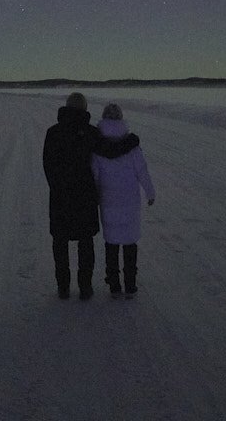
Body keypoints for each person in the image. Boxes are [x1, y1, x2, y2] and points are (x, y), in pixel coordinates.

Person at [43, 92, 138, 300]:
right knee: (85, 243)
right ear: (85, 109)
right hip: (84, 199)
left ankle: (63, 287)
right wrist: (131, 141)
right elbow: (111, 151)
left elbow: (48, 166)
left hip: (60, 198)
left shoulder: (53, 133)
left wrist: (57, 188)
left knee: (60, 243)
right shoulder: (90, 132)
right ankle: (85, 287)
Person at [92, 102, 156, 298]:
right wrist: (150, 192)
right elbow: (142, 171)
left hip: (108, 202)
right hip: (130, 203)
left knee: (111, 243)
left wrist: (93, 197)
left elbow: (94, 175)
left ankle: (114, 285)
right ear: (121, 119)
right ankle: (130, 285)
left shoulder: (97, 147)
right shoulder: (133, 147)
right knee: (129, 243)